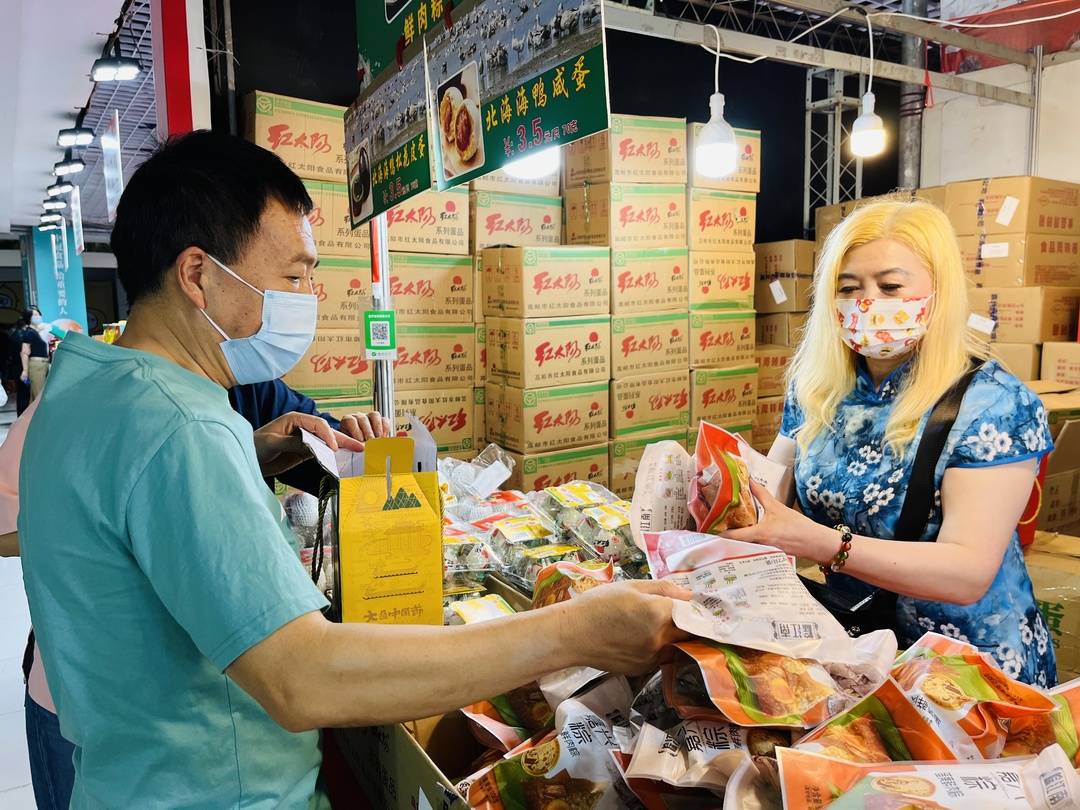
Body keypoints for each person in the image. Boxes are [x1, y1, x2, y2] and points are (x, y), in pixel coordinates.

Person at [19, 130, 686, 808]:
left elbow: (125, 520)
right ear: (197, 275)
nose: (309, 295)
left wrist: (249, 456)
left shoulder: (83, 388)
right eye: (292, 276)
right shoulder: (182, 425)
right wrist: (576, 630)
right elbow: (302, 679)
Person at [3, 385, 390, 810]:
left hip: (191, 714)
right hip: (84, 699)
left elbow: (318, 443)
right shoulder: (85, 401)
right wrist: (122, 511)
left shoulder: (248, 392)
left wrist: (245, 456)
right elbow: (298, 680)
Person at [726, 198, 1055, 686]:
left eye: (890, 286)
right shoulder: (818, 386)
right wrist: (726, 488)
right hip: (853, 647)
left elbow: (967, 571)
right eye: (849, 287)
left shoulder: (994, 404)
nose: (867, 303)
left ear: (938, 292)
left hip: (962, 670)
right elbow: (771, 493)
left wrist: (818, 542)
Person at [14, 311, 49, 415]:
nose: (38, 317)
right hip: (36, 366)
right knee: (38, 395)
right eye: (35, 315)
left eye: (39, 314)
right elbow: (24, 352)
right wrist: (25, 371)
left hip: (43, 365)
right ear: (29, 318)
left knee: (37, 395)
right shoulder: (29, 332)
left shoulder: (35, 332)